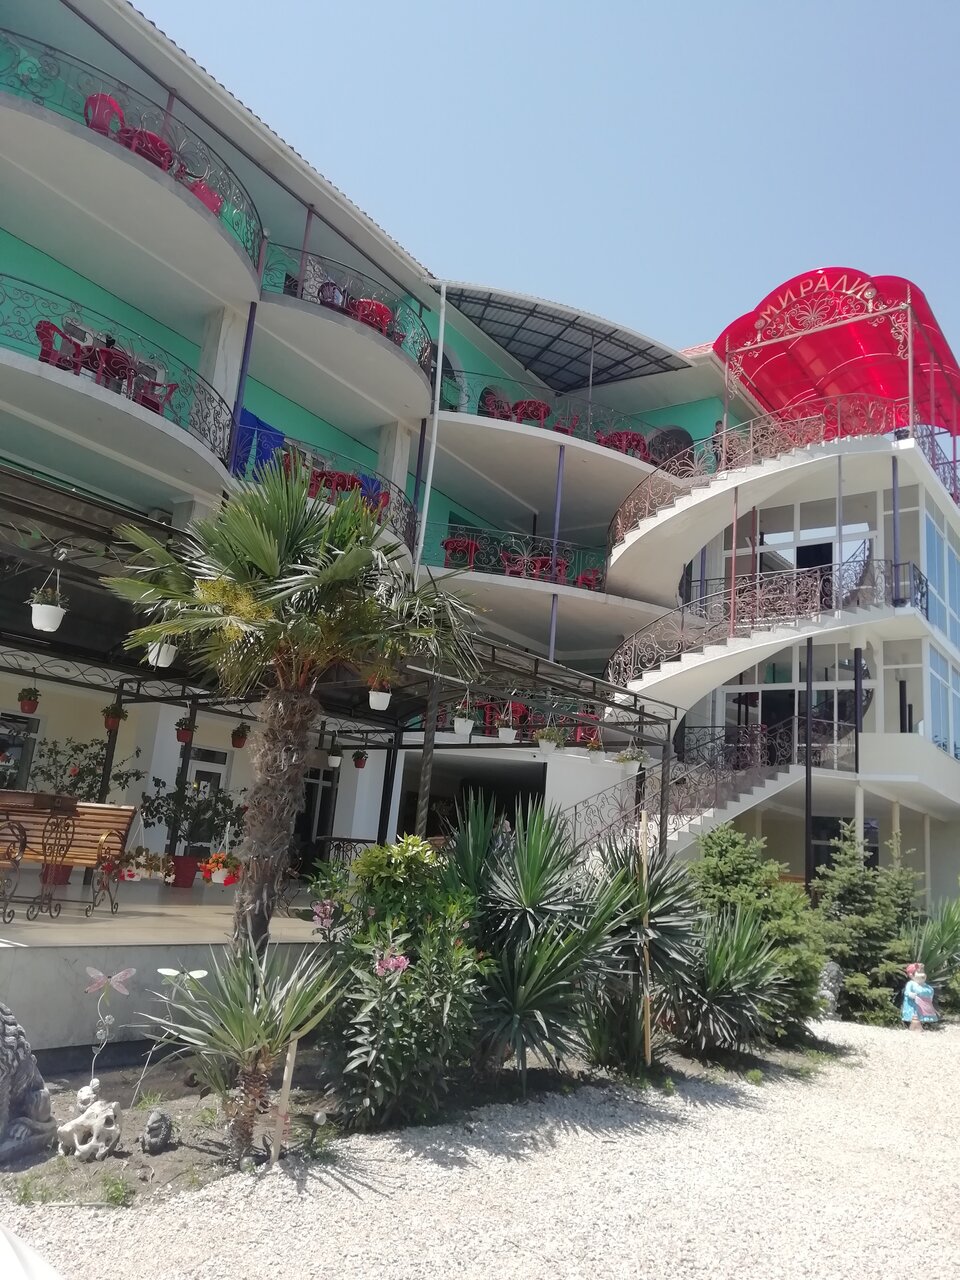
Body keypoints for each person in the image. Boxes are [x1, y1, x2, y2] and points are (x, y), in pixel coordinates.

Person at [901, 962, 938, 1031]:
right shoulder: (911, 984)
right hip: (915, 1005)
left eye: (923, 972)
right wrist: (910, 994)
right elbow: (907, 992)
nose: (923, 974)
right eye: (919, 972)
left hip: (926, 1005)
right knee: (915, 1016)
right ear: (911, 975)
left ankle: (926, 1023)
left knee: (926, 1014)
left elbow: (930, 991)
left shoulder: (926, 986)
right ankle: (913, 1025)